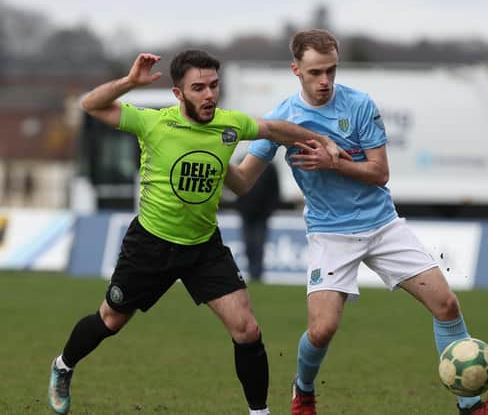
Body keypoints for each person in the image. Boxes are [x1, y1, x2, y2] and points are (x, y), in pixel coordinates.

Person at [224, 29, 488, 415]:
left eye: (331, 70)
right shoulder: (283, 118)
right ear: (295, 69)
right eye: (315, 72)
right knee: (322, 330)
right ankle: (304, 392)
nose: (325, 81)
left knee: (446, 304)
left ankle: (472, 405)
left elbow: (380, 173)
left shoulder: (360, 105)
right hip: (330, 235)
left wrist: (336, 163)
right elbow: (244, 180)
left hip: (383, 226)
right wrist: (216, 163)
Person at [47, 50, 347, 415]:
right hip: (151, 245)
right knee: (110, 319)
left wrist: (319, 140)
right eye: (199, 87)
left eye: (214, 86)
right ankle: (63, 366)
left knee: (247, 329)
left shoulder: (229, 124)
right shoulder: (153, 123)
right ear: (178, 93)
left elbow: (274, 128)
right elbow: (90, 105)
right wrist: (129, 83)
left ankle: (260, 412)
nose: (209, 95)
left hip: (203, 247)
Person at [234, 161, 280, 282]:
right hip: (246, 213)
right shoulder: (242, 161)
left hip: (261, 214)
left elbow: (275, 191)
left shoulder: (270, 167)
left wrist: (268, 211)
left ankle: (257, 274)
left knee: (259, 245)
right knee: (248, 245)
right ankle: (252, 272)